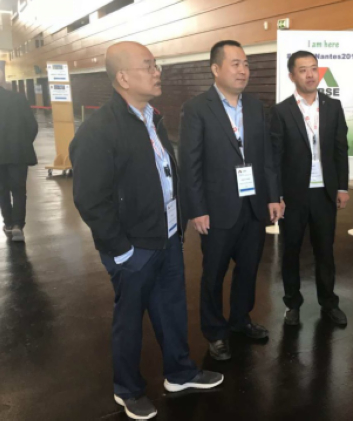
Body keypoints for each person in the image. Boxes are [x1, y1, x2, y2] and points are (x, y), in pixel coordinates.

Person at [70, 41, 223, 420]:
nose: (158, 72)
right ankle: (127, 389)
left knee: (171, 309)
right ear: (123, 77)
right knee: (129, 320)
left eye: (157, 65)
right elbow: (91, 200)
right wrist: (120, 249)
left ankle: (180, 374)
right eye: (149, 66)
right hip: (132, 247)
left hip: (166, 237)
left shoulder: (151, 118)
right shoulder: (98, 130)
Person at [178, 40, 281, 361]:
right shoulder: (197, 108)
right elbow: (190, 163)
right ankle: (215, 331)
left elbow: (266, 156)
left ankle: (240, 320)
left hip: (253, 205)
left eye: (246, 64)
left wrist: (273, 196)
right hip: (217, 208)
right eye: (235, 63)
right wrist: (197, 209)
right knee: (213, 274)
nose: (243, 70)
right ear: (216, 68)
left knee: (248, 269)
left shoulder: (255, 107)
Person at [270, 51, 350, 326]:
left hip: (324, 192)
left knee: (325, 250)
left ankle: (329, 303)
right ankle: (292, 304)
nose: (310, 74)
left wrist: (342, 187)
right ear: (292, 75)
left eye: (314, 68)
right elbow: (275, 157)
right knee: (291, 250)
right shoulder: (281, 111)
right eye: (303, 69)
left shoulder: (333, 106)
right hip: (293, 195)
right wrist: (277, 195)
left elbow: (341, 149)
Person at [0, 71, 38, 242]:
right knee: (19, 190)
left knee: (2, 190)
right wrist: (23, 143)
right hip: (18, 153)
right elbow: (32, 125)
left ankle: (8, 223)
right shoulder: (19, 99)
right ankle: (17, 225)